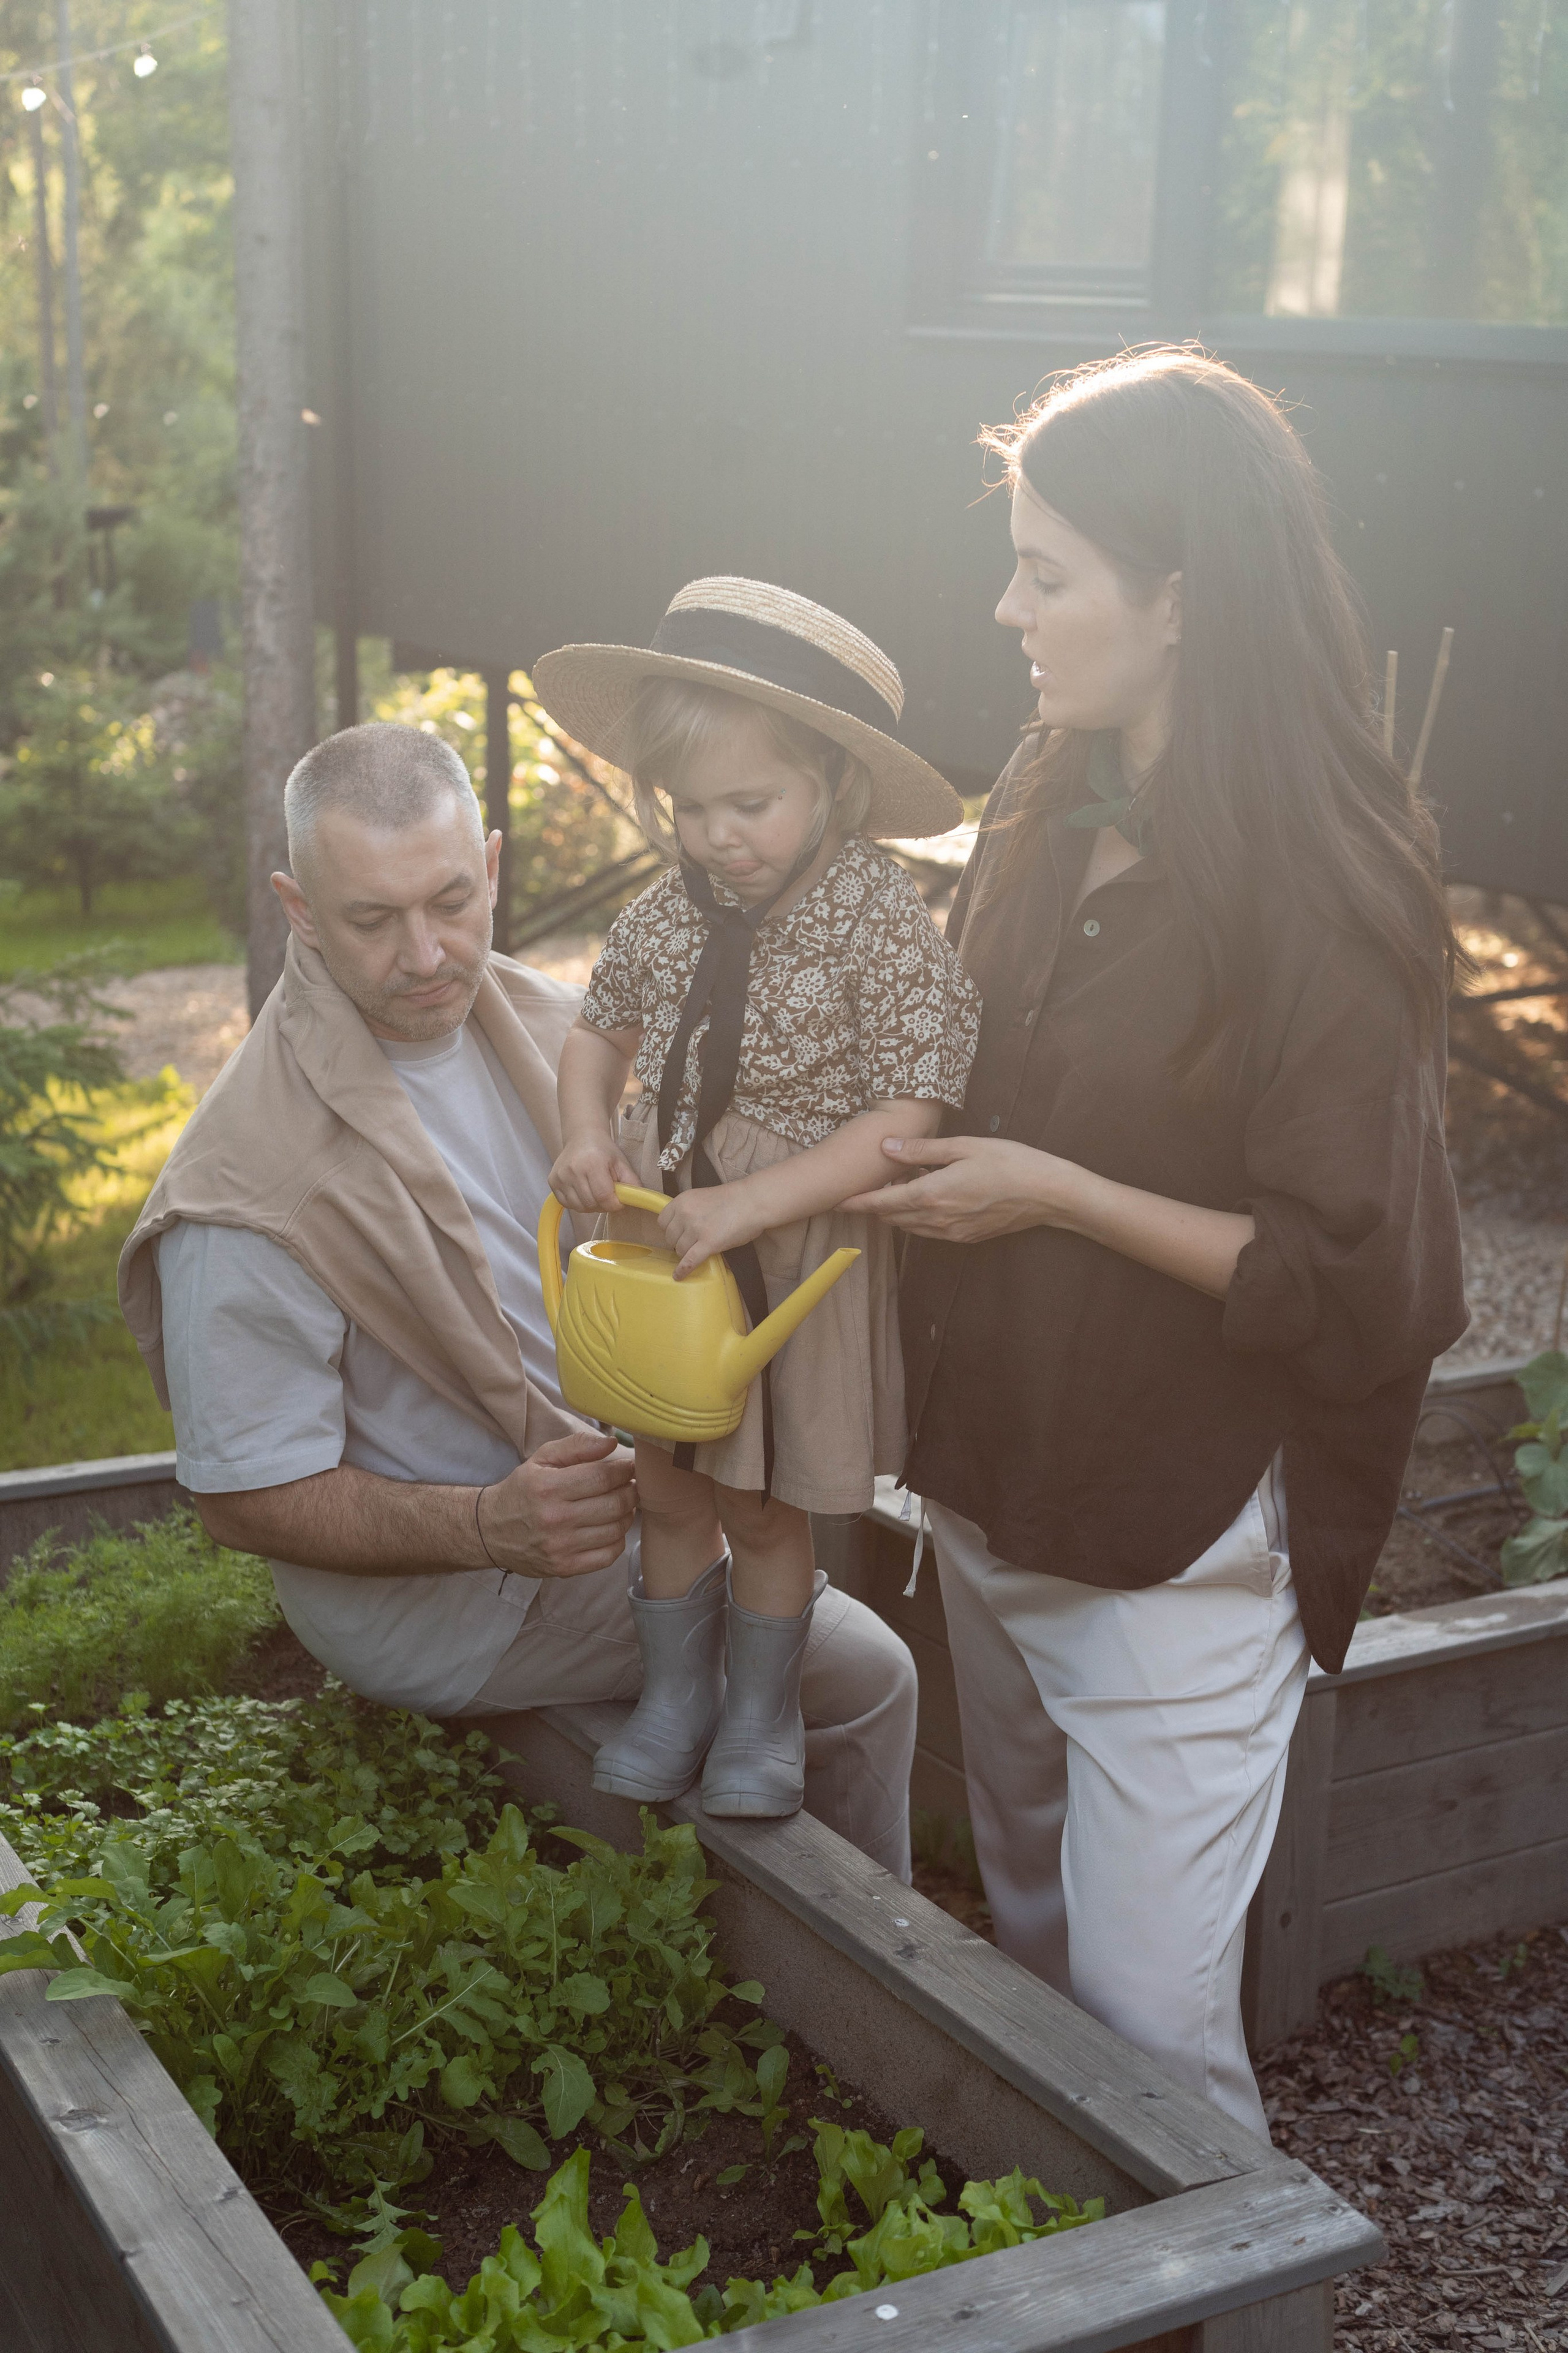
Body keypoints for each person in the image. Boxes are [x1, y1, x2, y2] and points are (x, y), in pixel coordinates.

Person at [847, 350, 1468, 2136]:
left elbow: (1361, 1282)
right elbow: (951, 1064)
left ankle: (1225, 2300)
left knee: (1145, 2022)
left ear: (1181, 597)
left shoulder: (1333, 898)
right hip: (996, 1480)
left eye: (1048, 572)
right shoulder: (1051, 801)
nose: (1007, 606)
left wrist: (1054, 1192)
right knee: (1034, 1941)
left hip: (1177, 1528)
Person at [116, 720, 919, 1879]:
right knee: (871, 1678)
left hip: (624, 1500)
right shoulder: (247, 1182)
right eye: (372, 919)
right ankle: (877, 1989)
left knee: (771, 1539)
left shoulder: (548, 1026)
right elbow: (243, 1499)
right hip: (454, 1597)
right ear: (297, 907)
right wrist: (486, 1524)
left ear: (492, 864)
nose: (428, 953)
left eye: (451, 899)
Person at [533, 578, 978, 1821]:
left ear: (831, 782)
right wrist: (582, 1131)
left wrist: (754, 1202)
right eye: (691, 809)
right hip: (663, 1229)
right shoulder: (667, 910)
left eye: (752, 803)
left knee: (765, 1499)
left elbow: (906, 1117)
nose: (720, 836)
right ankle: (674, 1695)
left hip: (788, 1245)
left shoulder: (877, 919)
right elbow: (595, 1036)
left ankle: (760, 1712)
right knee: (667, 1477)